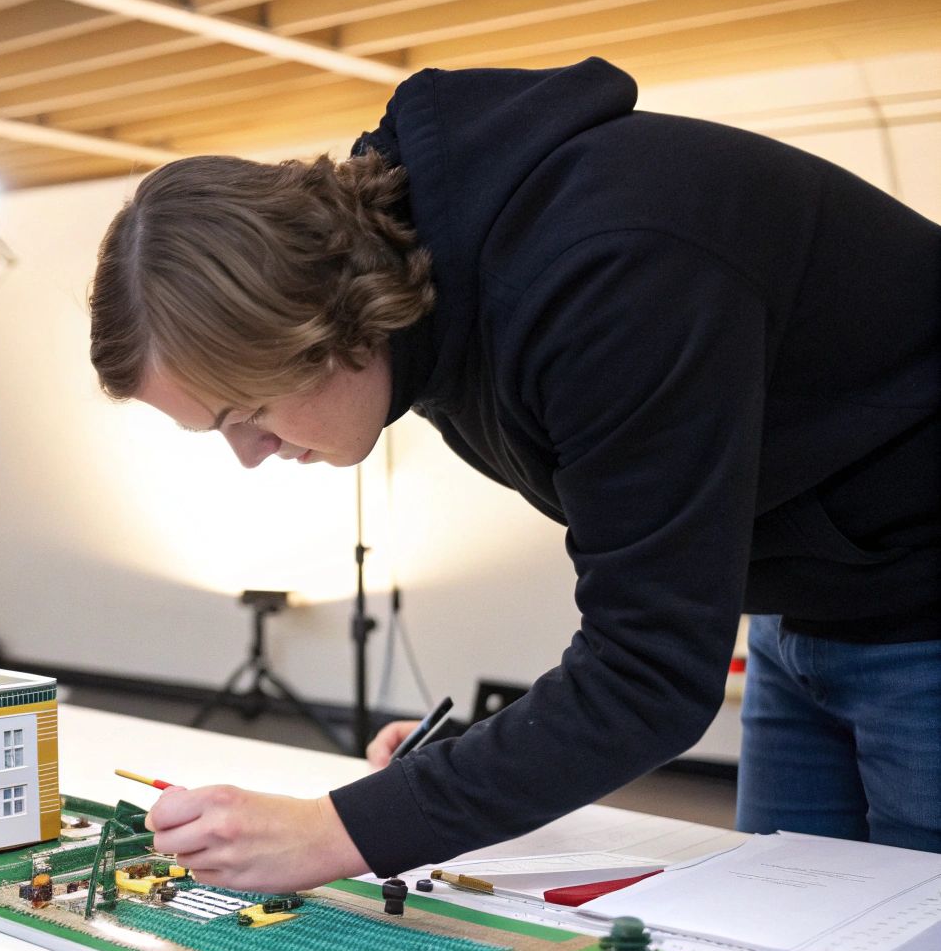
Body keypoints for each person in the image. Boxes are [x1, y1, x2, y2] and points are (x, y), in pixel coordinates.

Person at [87, 57, 940, 891]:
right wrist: (456, 775)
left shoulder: (607, 274)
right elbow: (643, 583)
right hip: (809, 603)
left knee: (910, 939)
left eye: (246, 412)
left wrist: (340, 830)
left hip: (923, 596)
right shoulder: (435, 295)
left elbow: (649, 674)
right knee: (800, 929)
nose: (250, 454)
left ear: (318, 325)